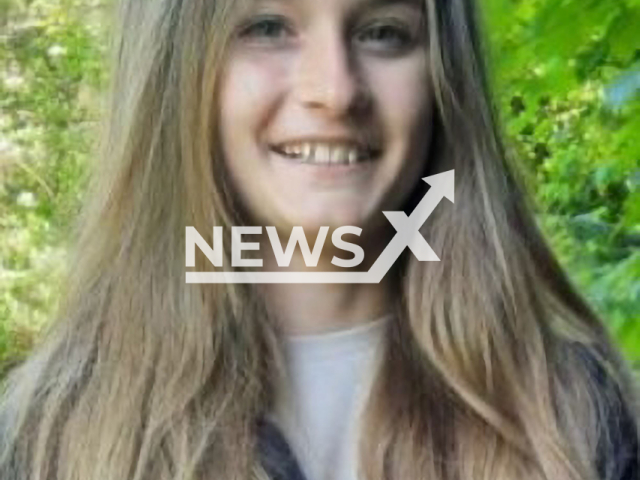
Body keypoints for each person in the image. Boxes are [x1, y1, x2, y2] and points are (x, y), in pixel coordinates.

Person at [0, 0, 638, 479]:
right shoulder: (47, 436)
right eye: (268, 26)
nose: (334, 91)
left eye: (384, 33)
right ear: (173, 74)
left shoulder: (575, 415)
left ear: (448, 86)